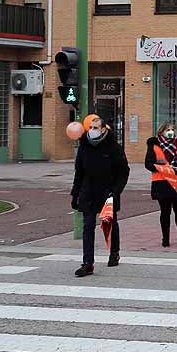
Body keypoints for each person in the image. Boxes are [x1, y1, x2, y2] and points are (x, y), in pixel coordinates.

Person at [70, 116, 129, 277]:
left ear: (103, 129)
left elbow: (124, 172)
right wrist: (75, 194)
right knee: (88, 226)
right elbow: (79, 173)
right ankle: (88, 263)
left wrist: (115, 191)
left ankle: (114, 252)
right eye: (90, 127)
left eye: (96, 128)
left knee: (109, 224)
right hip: (88, 192)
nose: (92, 130)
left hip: (107, 192)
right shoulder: (84, 147)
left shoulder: (113, 148)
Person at [145, 121, 177, 248]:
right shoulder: (154, 145)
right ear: (161, 132)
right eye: (167, 130)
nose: (170, 132)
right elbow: (148, 164)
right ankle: (165, 238)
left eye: (172, 129)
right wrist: (162, 168)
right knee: (165, 212)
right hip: (162, 182)